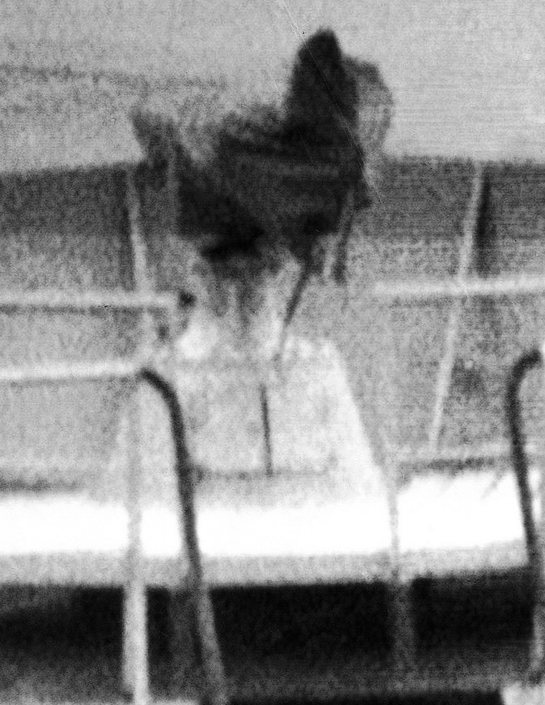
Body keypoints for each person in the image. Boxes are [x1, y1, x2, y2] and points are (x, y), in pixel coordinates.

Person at [118, 30, 390, 496]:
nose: (245, 285)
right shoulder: (173, 377)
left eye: (258, 271)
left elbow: (357, 486)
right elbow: (145, 495)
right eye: (231, 272)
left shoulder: (316, 368)